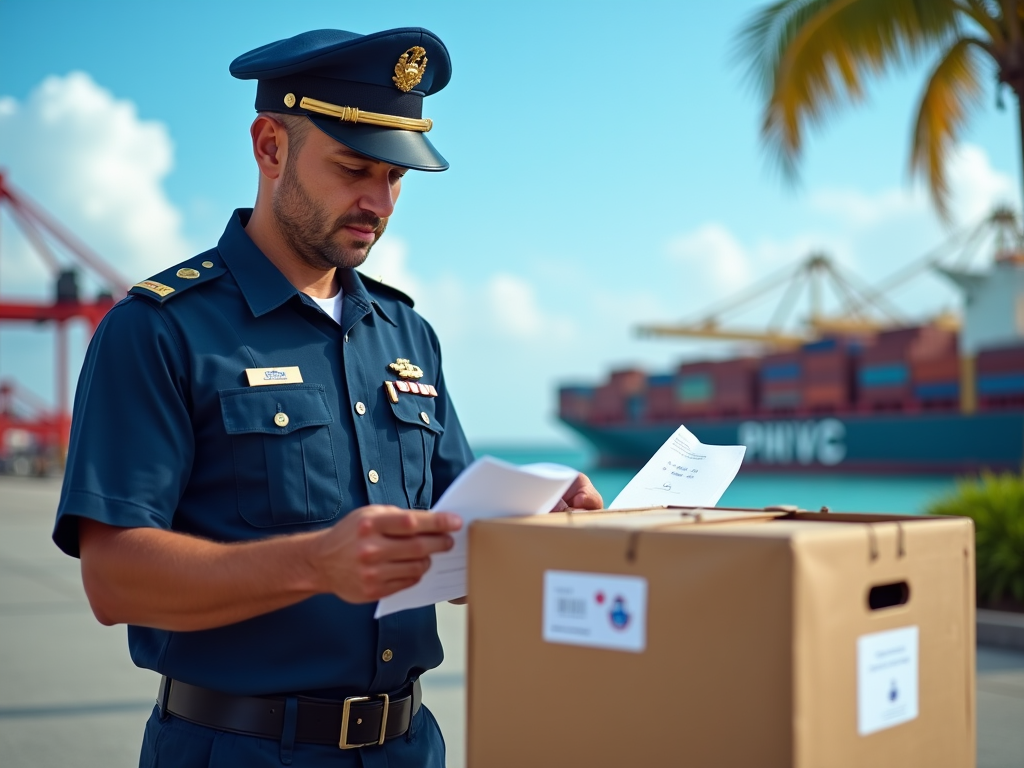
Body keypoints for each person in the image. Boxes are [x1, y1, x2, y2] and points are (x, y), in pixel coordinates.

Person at [51, 27, 602, 768]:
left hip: (410, 748)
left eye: (397, 178)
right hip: (237, 750)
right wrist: (317, 563)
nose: (380, 202)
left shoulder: (409, 335)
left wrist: (536, 530)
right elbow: (114, 580)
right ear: (270, 146)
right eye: (354, 168)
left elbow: (457, 554)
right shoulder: (158, 330)